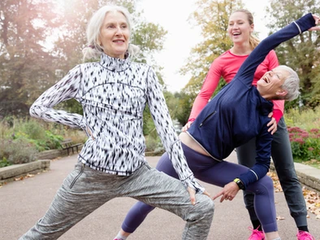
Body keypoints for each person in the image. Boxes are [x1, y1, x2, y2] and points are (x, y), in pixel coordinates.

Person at [115, 13, 320, 240]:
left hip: (211, 164)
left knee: (263, 183)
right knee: (148, 201)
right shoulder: (243, 78)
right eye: (271, 70)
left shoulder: (264, 122)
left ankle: (273, 237)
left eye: (275, 76)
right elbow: (268, 43)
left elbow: (262, 165)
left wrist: (238, 183)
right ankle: (120, 237)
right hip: (181, 155)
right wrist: (302, 24)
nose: (268, 72)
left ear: (281, 92)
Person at [19, 5, 215, 240]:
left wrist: (186, 176)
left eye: (123, 26)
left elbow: (165, 128)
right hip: (91, 175)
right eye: (111, 26)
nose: (119, 32)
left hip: (137, 174)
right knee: (41, 234)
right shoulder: (83, 73)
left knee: (202, 207)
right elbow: (38, 108)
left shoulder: (145, 74)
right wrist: (80, 120)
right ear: (98, 37)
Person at [182, 9, 316, 240]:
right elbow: (205, 94)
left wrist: (275, 115)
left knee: (287, 172)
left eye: (239, 22)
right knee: (248, 175)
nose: (234, 27)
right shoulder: (222, 61)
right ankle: (257, 229)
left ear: (250, 26)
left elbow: (281, 88)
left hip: (270, 120)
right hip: (241, 124)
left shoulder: (265, 53)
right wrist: (193, 120)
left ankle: (303, 229)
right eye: (231, 23)